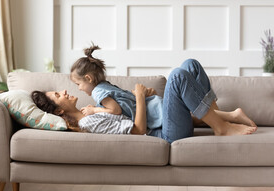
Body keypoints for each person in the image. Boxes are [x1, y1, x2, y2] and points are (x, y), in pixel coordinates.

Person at [32, 60, 257, 144]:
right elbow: (139, 130)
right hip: (164, 133)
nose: (64, 90)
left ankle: (215, 118)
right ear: (60, 109)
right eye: (57, 94)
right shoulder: (88, 124)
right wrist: (140, 98)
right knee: (178, 76)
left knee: (190, 65)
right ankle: (221, 128)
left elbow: (122, 108)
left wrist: (143, 96)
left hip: (164, 120)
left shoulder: (91, 108)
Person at [70, 44, 163, 130]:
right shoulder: (105, 86)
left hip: (155, 113)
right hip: (156, 106)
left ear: (88, 78)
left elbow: (115, 110)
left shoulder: (97, 92)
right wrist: (97, 107)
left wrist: (94, 110)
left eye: (78, 84)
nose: (79, 88)